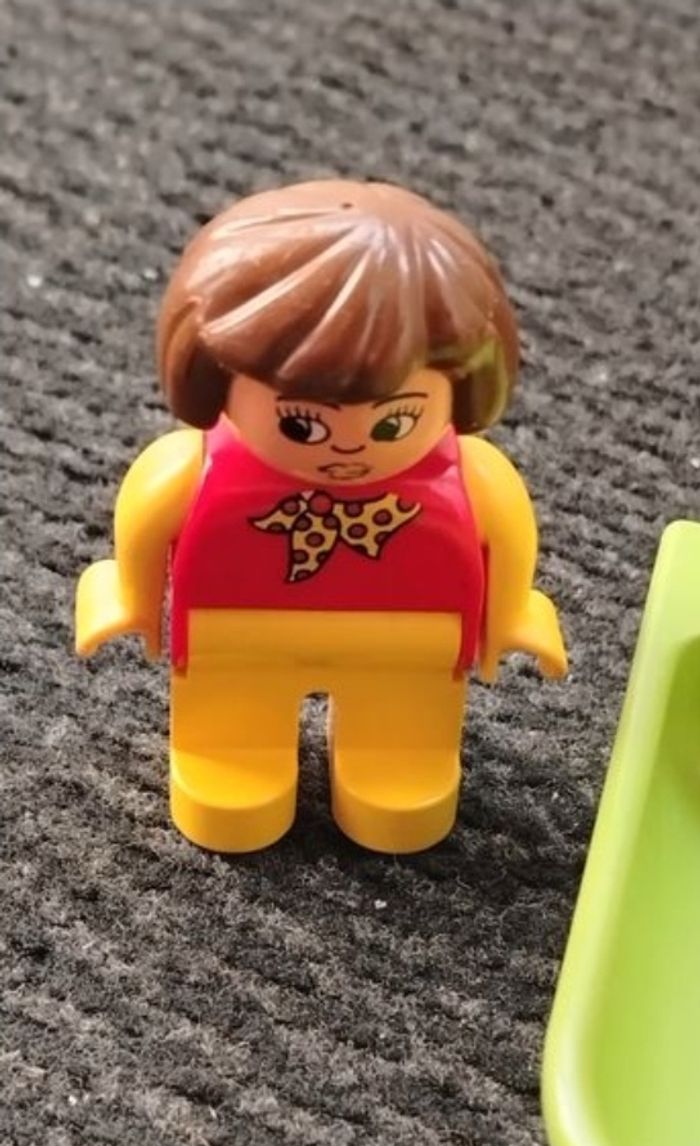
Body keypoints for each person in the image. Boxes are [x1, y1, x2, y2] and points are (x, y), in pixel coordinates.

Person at [76, 179, 566, 853]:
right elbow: (148, 504)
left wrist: (507, 615)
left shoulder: (472, 480)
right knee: (231, 745)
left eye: (393, 421)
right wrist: (130, 598)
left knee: (401, 751)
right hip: (234, 638)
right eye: (302, 424)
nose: (348, 448)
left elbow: (505, 527)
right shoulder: (193, 471)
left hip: (412, 648)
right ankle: (236, 752)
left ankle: (393, 754)